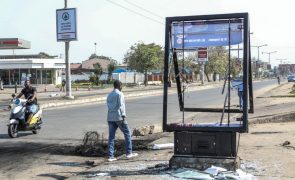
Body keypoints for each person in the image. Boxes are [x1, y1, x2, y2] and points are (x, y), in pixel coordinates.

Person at [106, 80, 138, 162]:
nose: (122, 87)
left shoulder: (109, 95)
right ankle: (129, 153)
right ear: (119, 86)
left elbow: (109, 106)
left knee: (111, 137)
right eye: (121, 86)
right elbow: (121, 106)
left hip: (110, 117)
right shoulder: (120, 94)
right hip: (119, 117)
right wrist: (123, 116)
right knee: (127, 133)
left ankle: (111, 156)